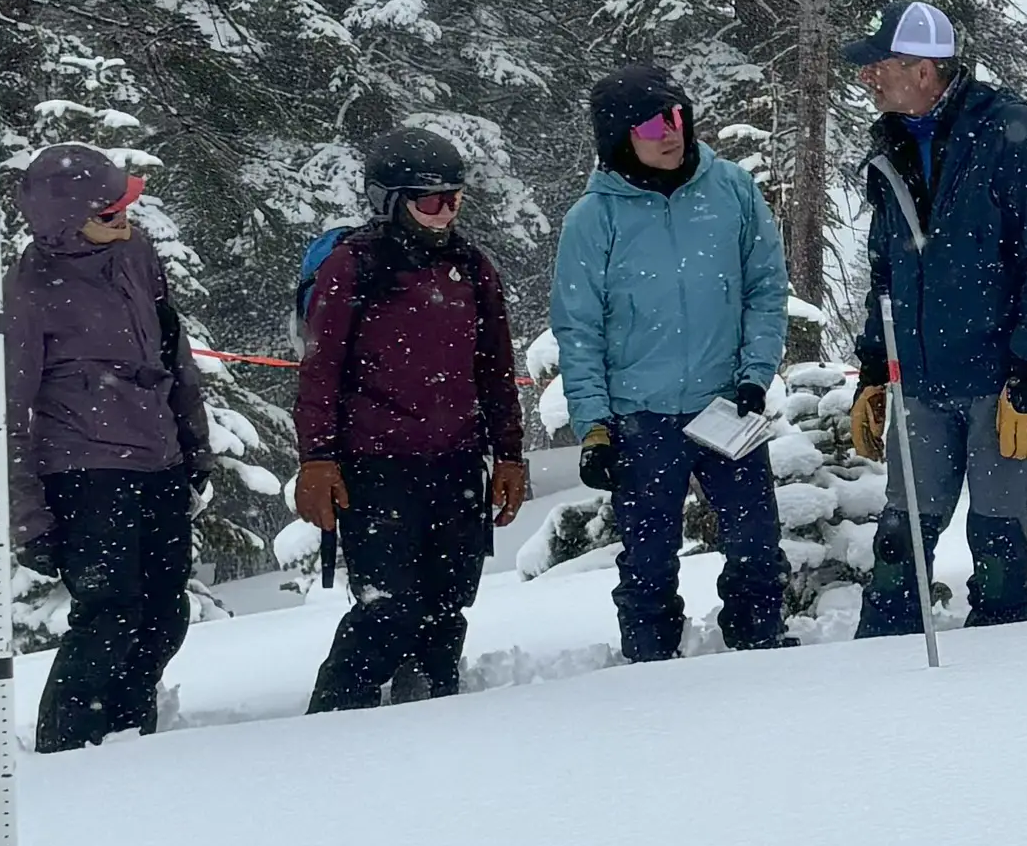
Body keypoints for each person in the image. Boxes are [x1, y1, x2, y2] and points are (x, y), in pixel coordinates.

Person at [548, 62, 793, 663]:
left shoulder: (732, 188)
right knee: (649, 556)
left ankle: (762, 645)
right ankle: (650, 666)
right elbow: (578, 331)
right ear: (618, 137)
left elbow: (766, 289)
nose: (670, 131)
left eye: (677, 115)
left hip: (726, 404)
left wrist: (755, 377)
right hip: (639, 416)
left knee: (756, 543)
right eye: (652, 122)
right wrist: (596, 427)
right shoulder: (594, 219)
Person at [839, 0, 1027, 635]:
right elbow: (884, 270)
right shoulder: (888, 147)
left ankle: (1000, 677)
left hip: (997, 382)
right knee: (900, 537)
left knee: (997, 538)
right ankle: (880, 661)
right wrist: (870, 369)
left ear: (922, 69)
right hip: (918, 381)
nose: (868, 78)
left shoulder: (1009, 133)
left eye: (879, 64)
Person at [290, 123, 528, 709]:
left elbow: (496, 368)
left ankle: (432, 709)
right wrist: (317, 458)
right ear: (389, 201)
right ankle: (337, 714)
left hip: (455, 460)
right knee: (388, 605)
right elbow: (321, 370)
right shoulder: (355, 265)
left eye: (455, 198)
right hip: (376, 465)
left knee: (448, 603)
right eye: (430, 200)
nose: (445, 212)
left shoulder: (472, 266)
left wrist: (510, 454)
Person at [1, 142, 209, 751]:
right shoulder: (30, 290)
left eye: (127, 209)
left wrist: (195, 448)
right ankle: (69, 751)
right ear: (65, 219)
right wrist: (29, 517)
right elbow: (7, 413)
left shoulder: (136, 256)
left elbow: (175, 357)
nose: (126, 221)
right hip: (85, 471)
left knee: (165, 614)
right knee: (109, 614)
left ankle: (127, 737)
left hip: (159, 461)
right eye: (110, 212)